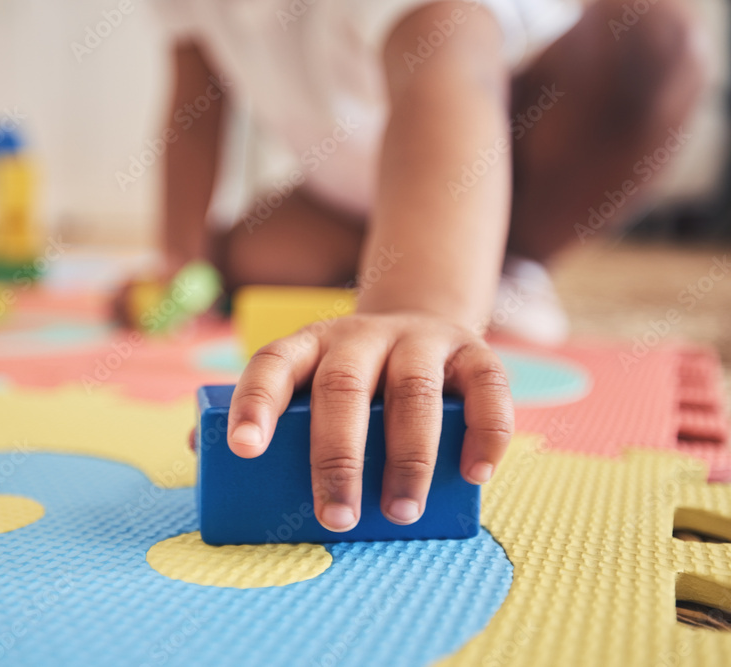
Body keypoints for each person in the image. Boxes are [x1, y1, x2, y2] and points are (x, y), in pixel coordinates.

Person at [147, 0, 706, 532]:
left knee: (653, 45)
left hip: (515, 149)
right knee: (249, 254)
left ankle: (496, 258)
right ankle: (421, 254)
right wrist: (180, 261)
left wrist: (415, 311)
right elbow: (194, 109)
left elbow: (451, 69)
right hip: (362, 182)